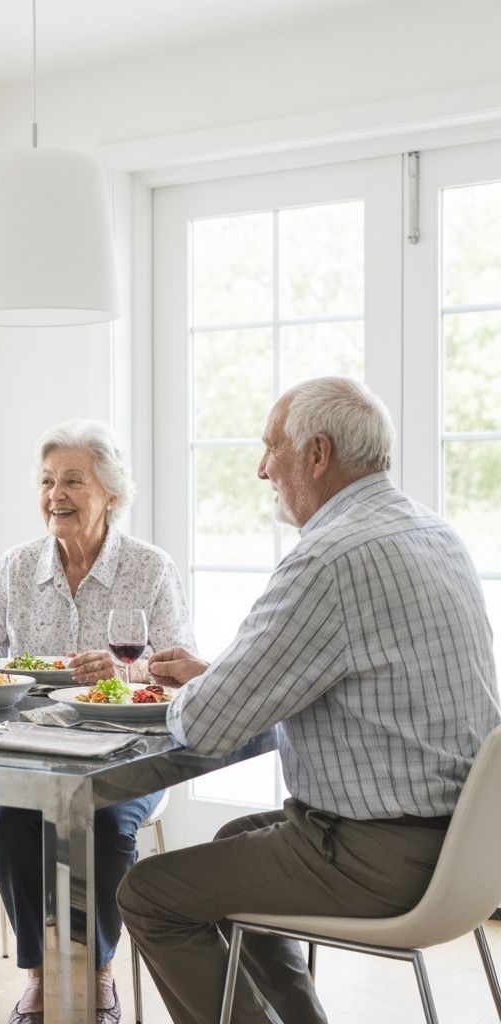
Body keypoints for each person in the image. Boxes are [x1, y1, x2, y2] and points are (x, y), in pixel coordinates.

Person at [117, 376, 500, 1024]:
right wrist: (227, 678)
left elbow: (206, 726)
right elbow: (360, 675)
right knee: (237, 839)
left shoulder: (328, 557)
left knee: (150, 893)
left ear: (317, 455)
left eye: (273, 447)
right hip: (468, 848)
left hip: (382, 859)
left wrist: (184, 692)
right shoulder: (435, 533)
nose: (262, 467)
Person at [0, 418, 194, 1024]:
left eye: (73, 481)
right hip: (31, 748)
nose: (56, 494)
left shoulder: (150, 568)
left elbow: (179, 671)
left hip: (129, 750)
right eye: (48, 481)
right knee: (8, 823)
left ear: (111, 494)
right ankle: (39, 973)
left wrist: (122, 671)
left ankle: (98, 970)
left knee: (104, 826)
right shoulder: (15, 567)